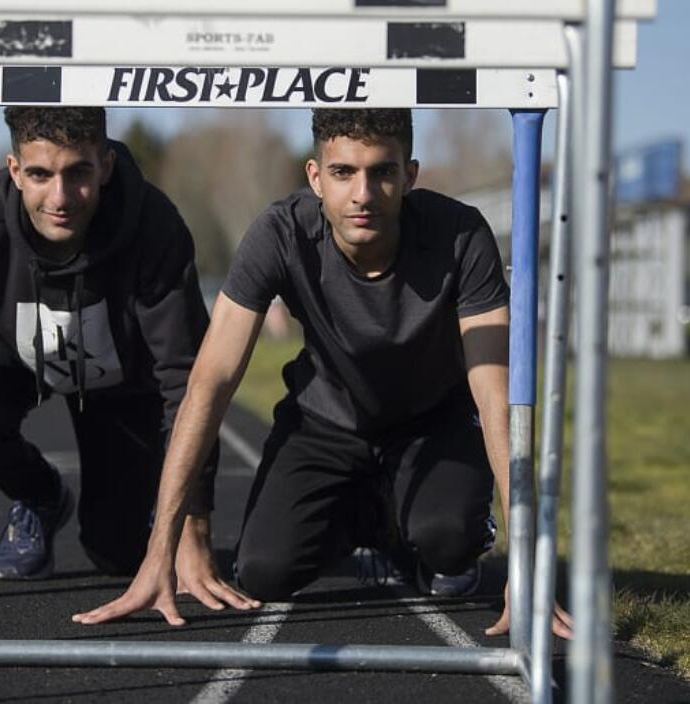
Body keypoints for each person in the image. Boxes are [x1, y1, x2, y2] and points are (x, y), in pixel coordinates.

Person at [75, 108, 572, 638]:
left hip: (432, 425)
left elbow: (497, 394)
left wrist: (526, 563)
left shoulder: (460, 235)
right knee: (264, 572)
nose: (363, 193)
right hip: (325, 422)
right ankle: (367, 514)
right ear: (315, 176)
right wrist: (163, 547)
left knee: (448, 541)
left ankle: (425, 526)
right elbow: (210, 382)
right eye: (343, 173)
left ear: (410, 175)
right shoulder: (278, 233)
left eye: (382, 172)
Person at [0, 107, 255, 614]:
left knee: (120, 553)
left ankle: (135, 517)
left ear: (104, 165)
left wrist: (191, 531)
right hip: (17, 345)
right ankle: (41, 495)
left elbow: (187, 380)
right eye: (39, 175)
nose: (59, 198)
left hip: (122, 378)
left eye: (78, 172)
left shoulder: (153, 224)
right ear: (15, 170)